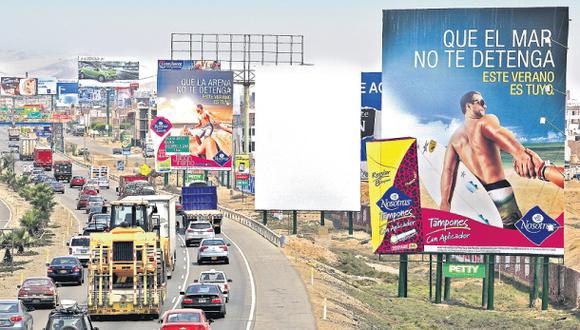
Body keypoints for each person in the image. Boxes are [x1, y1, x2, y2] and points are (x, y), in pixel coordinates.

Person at [440, 91, 544, 229]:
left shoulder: (455, 138)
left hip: (477, 194)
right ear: (468, 106)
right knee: (513, 233)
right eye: (480, 102)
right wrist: (518, 151)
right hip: (499, 190)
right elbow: (497, 132)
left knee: (487, 236)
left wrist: (445, 202)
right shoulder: (485, 120)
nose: (485, 105)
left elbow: (448, 171)